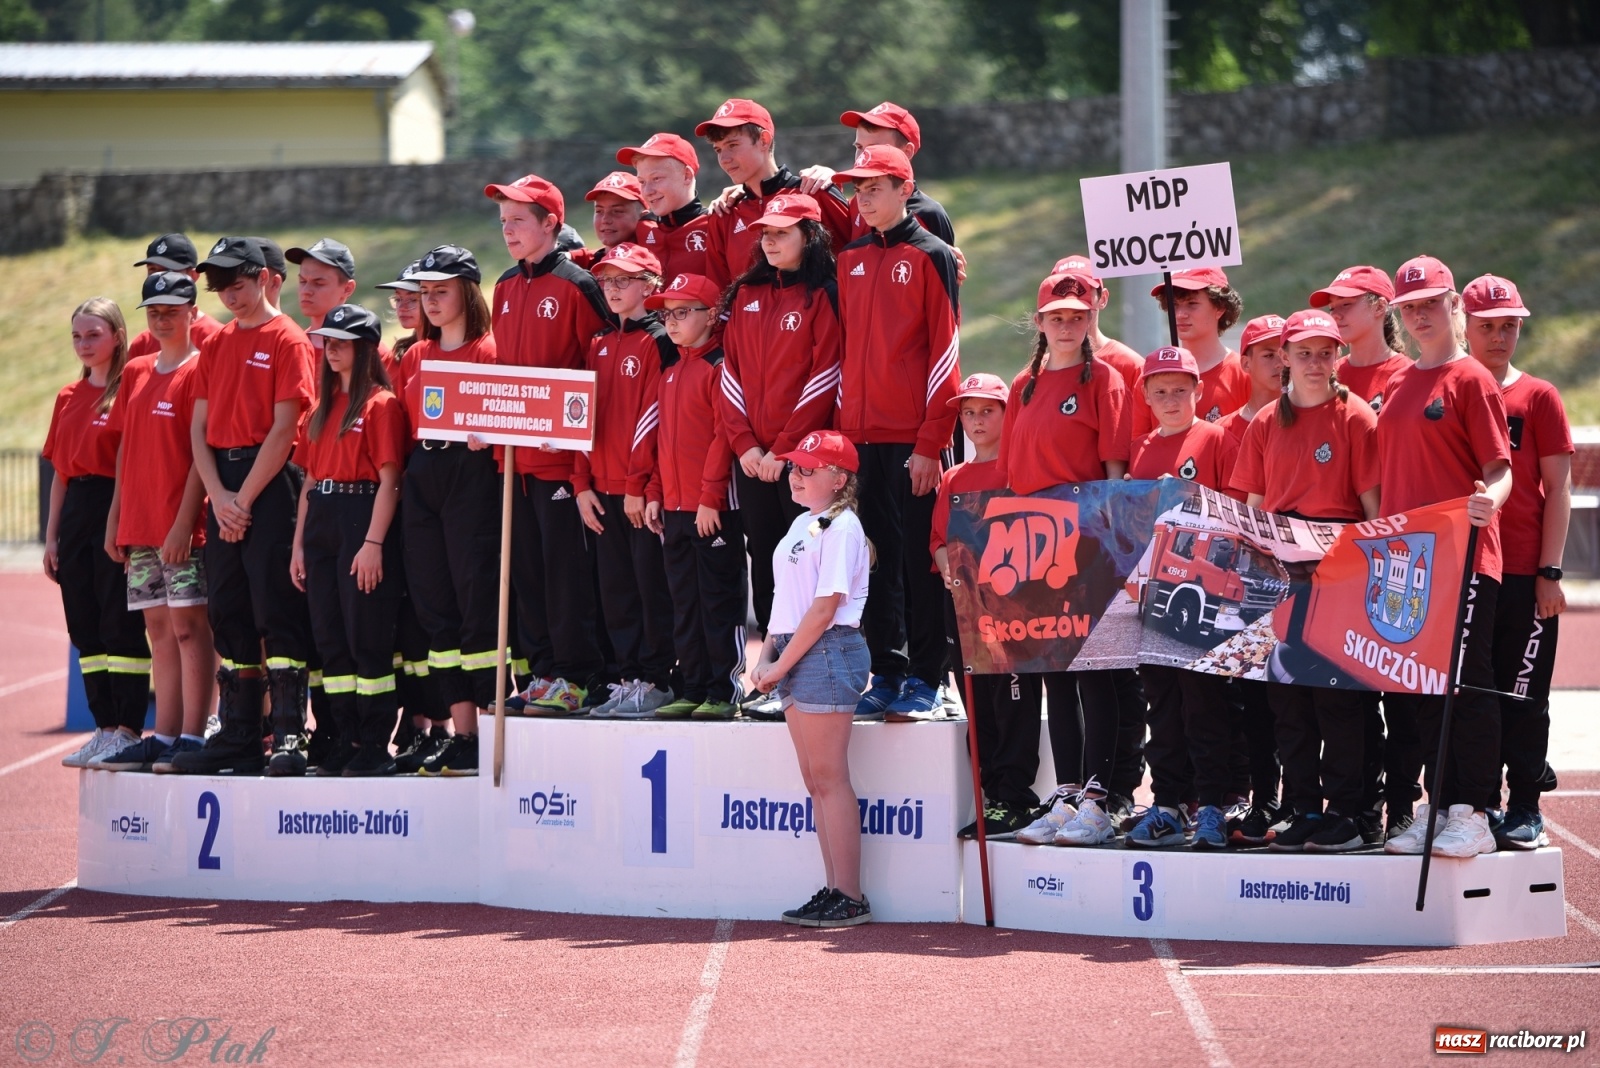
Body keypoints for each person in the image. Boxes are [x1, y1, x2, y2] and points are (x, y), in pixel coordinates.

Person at [1378, 255, 1512, 858]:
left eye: (1430, 303)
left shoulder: (1472, 379)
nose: (1420, 315)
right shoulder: (1398, 382)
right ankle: (1441, 803)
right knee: (1423, 690)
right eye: (1410, 308)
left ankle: (1475, 810)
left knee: (1467, 685)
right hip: (1407, 565)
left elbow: (1499, 470)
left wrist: (1490, 504)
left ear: (1453, 305)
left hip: (1463, 558)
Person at [1232, 310, 1381, 852]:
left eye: (1326, 352)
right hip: (1278, 572)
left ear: (1338, 357)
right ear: (1285, 358)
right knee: (1287, 699)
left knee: (1336, 698)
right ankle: (1300, 807)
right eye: (1304, 353)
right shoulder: (1265, 423)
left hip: (1337, 571)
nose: (1315, 363)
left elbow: (1373, 511)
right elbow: (1250, 508)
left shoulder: (1357, 418)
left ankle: (1346, 811)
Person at [173, 236, 317, 776]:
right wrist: (219, 495)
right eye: (219, 287)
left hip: (270, 480)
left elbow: (285, 430)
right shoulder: (217, 343)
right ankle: (238, 732)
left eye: (237, 283)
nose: (228, 295)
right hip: (226, 484)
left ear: (262, 278)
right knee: (228, 608)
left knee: (276, 606)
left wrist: (244, 499)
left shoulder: (288, 339)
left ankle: (287, 734)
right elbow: (198, 428)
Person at [832, 143, 961, 721]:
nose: (863, 198)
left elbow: (943, 353)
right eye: (858, 189)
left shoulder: (932, 254)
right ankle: (885, 669)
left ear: (904, 189)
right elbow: (842, 355)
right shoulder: (849, 257)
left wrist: (930, 443)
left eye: (874, 188)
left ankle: (928, 677)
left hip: (912, 438)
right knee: (875, 559)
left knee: (920, 562)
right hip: (859, 438)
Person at [1003, 271, 1128, 845]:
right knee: (1054, 676)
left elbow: (1114, 468)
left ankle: (1099, 800)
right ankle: (1070, 791)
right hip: (1033, 544)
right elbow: (1010, 476)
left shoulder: (1104, 378)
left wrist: (1109, 540)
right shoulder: (1021, 385)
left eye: (1077, 315)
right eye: (1057, 316)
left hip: (1087, 541)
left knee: (1096, 675)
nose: (1068, 325)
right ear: (1040, 322)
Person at [486, 174, 610, 714]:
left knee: (565, 575)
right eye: (503, 222)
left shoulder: (578, 285)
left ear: (550, 224)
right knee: (527, 573)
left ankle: (577, 677)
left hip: (563, 460)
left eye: (518, 221)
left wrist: (583, 466)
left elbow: (598, 372)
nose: (508, 231)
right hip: (513, 460)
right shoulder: (505, 287)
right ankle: (540, 675)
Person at [716, 191, 841, 715]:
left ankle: (806, 675)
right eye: (764, 233)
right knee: (766, 562)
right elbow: (730, 374)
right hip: (753, 461)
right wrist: (747, 446)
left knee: (805, 567)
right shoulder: (744, 294)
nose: (769, 241)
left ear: (808, 236)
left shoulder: (823, 295)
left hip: (802, 462)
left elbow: (826, 373)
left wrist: (785, 451)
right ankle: (769, 677)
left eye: (781, 233)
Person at [1463, 273, 1571, 850]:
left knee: (1525, 693)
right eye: (1488, 326)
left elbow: (1559, 489)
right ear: (1466, 326)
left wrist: (1550, 572)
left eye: (1510, 326)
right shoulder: (1451, 389)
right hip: (1466, 571)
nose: (1501, 336)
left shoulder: (1539, 397)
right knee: (1471, 693)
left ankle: (1525, 805)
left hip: (1526, 572)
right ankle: (1476, 803)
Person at [750, 430, 873, 928]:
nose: (795, 475)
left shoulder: (842, 527)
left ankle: (849, 895)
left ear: (838, 478)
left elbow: (825, 608)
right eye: (795, 467)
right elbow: (789, 606)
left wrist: (776, 665)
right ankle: (835, 890)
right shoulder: (806, 522)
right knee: (815, 780)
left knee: (828, 778)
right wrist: (771, 656)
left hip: (826, 651)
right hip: (804, 653)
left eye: (807, 468)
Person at [96, 273, 215, 772]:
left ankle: (193, 733)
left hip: (180, 528)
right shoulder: (139, 370)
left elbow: (198, 454)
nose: (161, 318)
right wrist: (116, 519)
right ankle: (163, 734)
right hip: (140, 527)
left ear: (192, 311)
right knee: (158, 631)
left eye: (171, 309)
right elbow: (126, 452)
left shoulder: (201, 369)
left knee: (190, 627)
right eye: (153, 310)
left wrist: (184, 523)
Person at [393, 245, 500, 776]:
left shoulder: (490, 350)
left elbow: (515, 417)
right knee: (435, 607)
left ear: (467, 291)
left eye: (442, 291)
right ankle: (460, 732)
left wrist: (493, 436)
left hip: (471, 476)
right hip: (423, 475)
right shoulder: (415, 356)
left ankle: (488, 725)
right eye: (425, 293)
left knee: (475, 597)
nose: (431, 302)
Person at [1122, 345, 1234, 850]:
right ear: (1145, 395)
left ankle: (1212, 803)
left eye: (1180, 390)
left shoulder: (1215, 438)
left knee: (1204, 704)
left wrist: (1186, 501)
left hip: (1200, 597)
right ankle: (1167, 803)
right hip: (1154, 595)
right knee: (1161, 705)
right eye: (1161, 391)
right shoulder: (1143, 448)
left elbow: (1235, 513)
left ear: (1199, 391)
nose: (1171, 399)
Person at [290, 304, 407, 776]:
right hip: (322, 522)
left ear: (363, 348)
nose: (330, 349)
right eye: (327, 342)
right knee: (331, 639)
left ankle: (375, 744)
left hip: (362, 518)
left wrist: (374, 543)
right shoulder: (319, 408)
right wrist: (299, 545)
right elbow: (310, 482)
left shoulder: (381, 404)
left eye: (340, 342)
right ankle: (344, 737)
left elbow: (391, 480)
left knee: (367, 636)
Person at [573, 243, 679, 719]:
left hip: (639, 493)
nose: (613, 290)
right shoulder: (596, 342)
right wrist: (581, 484)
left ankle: (656, 680)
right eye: (607, 281)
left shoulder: (659, 340)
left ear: (650, 285)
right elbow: (581, 415)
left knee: (648, 588)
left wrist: (642, 487)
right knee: (614, 590)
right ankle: (626, 678)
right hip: (601, 489)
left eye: (624, 280)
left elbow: (657, 420)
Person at [933, 374, 1040, 839]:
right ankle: (991, 794)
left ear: (1006, 413)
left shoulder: (1021, 472)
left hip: (1013, 610)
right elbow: (939, 543)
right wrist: (959, 582)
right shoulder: (954, 477)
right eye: (968, 412)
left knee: (1012, 700)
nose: (976, 421)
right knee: (976, 703)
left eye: (987, 411)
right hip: (964, 607)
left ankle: (1016, 796)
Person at [47, 298, 153, 769]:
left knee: (119, 622)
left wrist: (120, 522)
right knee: (84, 625)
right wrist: (51, 538)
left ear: (116, 336)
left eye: (93, 335)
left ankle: (129, 729)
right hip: (75, 514)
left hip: (115, 504)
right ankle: (103, 727)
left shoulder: (129, 389)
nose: (84, 344)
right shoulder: (67, 397)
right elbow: (61, 475)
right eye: (77, 336)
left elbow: (131, 464)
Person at [646, 274, 749, 720]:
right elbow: (661, 440)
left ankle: (724, 690)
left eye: (683, 311)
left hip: (712, 509)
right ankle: (692, 685)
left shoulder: (720, 367)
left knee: (717, 599)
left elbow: (723, 437)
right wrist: (654, 492)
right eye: (666, 313)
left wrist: (711, 497)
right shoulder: (670, 371)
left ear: (711, 315)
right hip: (674, 508)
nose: (672, 321)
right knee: (684, 600)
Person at [1214, 312, 1287, 844]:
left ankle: (1318, 804)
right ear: (1245, 364)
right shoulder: (1223, 434)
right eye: (1269, 353)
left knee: (1308, 704)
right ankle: (1262, 799)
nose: (1282, 362)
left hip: (1303, 583)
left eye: (1289, 350)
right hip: (1243, 589)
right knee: (1253, 705)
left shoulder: (1316, 419)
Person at [696, 97, 853, 288]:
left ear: (764, 140)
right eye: (718, 149)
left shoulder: (814, 193)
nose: (724, 158)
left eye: (733, 145)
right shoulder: (724, 213)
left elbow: (856, 262)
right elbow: (720, 295)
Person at [1135, 266, 1249, 436]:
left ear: (1220, 308)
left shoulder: (1245, 374)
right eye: (1174, 305)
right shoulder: (1152, 377)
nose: (1180, 314)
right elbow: (1137, 447)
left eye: (1192, 304)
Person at [615, 132, 715, 282]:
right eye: (642, 182)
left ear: (687, 176)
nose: (648, 191)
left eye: (656, 178)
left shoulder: (714, 224)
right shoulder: (643, 225)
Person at [1311, 265, 1409, 414]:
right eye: (1331, 308)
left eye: (1346, 304)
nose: (1335, 315)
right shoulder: (1328, 375)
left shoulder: (1406, 374)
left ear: (1379, 307)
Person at [126, 233, 223, 358]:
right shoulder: (142, 344)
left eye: (169, 270)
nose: (160, 279)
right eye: (152, 271)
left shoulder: (217, 338)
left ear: (193, 276)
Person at [570, 171, 648, 271]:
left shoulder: (656, 262)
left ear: (643, 217)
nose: (605, 220)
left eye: (617, 211)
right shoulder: (580, 264)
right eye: (599, 211)